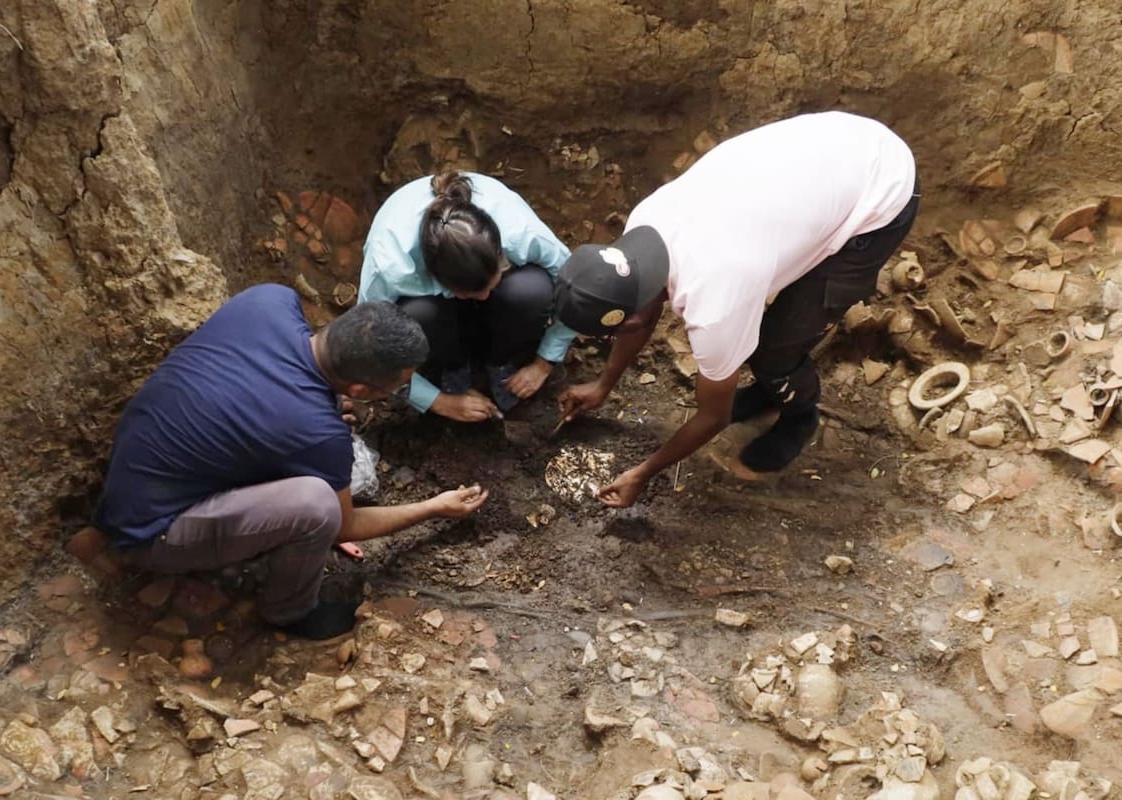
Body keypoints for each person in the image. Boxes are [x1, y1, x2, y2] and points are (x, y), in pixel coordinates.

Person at [553, 111, 919, 508]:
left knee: (776, 350)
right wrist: (604, 384)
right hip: (834, 149)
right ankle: (769, 391)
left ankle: (799, 418)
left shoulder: (713, 302)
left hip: (880, 191)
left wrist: (642, 474)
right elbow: (641, 313)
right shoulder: (644, 228)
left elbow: (714, 416)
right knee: (775, 323)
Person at [86, 284, 489, 638]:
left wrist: (325, 404)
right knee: (316, 506)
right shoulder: (321, 434)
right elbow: (343, 525)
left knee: (313, 483)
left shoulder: (269, 300)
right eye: (394, 388)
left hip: (134, 473)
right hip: (150, 533)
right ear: (359, 388)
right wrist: (433, 507)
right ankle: (289, 611)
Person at [359, 171, 575, 422]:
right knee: (420, 313)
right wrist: (438, 401)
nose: (483, 297)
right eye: (470, 293)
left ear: (499, 251)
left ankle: (502, 360)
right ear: (436, 278)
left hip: (502, 299)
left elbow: (575, 290)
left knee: (531, 290)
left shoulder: (519, 232)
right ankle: (451, 368)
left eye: (491, 286)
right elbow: (371, 349)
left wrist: (544, 362)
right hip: (434, 310)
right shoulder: (388, 265)